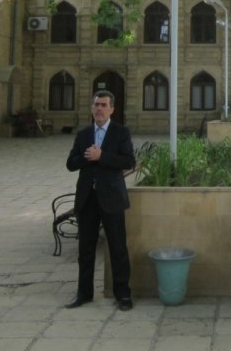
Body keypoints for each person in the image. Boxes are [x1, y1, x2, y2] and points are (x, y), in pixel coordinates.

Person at [64, 90, 137, 310]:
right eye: (96, 104)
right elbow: (71, 163)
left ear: (112, 109)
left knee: (117, 248)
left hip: (111, 198)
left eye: (104, 105)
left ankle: (122, 294)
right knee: (86, 250)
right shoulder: (84, 134)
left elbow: (129, 161)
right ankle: (84, 293)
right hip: (88, 199)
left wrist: (102, 157)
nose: (99, 109)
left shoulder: (120, 133)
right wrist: (87, 157)